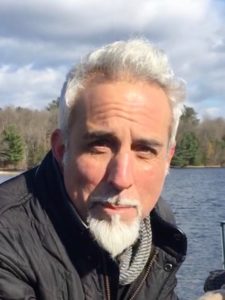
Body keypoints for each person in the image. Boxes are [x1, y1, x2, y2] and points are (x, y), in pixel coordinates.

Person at [0, 38, 187, 300]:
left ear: (167, 158)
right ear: (62, 149)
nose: (122, 178)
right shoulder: (7, 237)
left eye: (145, 150)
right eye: (99, 146)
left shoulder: (157, 224)